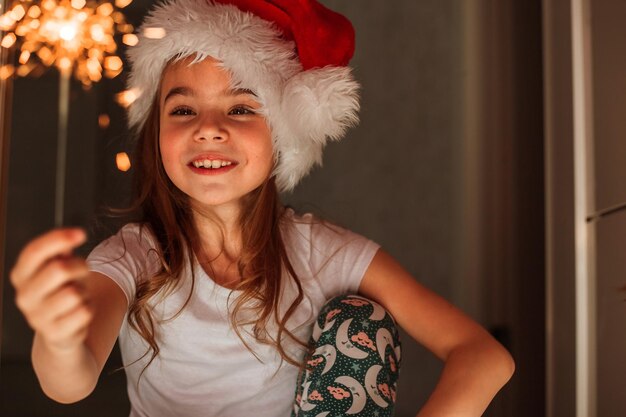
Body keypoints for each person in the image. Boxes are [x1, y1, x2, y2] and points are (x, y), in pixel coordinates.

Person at [9, 0, 515, 416]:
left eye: (241, 108)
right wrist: (56, 340)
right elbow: (69, 384)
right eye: (182, 109)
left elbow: (484, 357)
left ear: (282, 136)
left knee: (361, 318)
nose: (208, 127)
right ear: (156, 136)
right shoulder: (133, 256)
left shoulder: (323, 253)